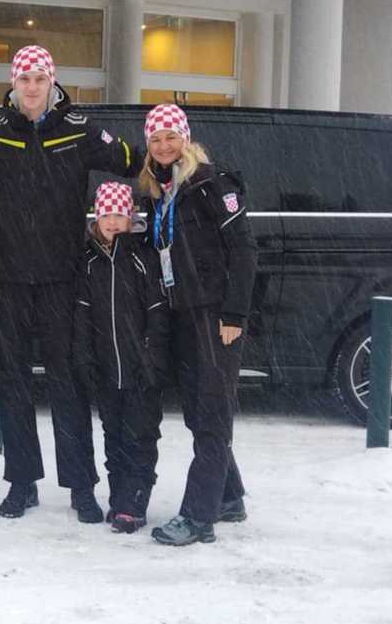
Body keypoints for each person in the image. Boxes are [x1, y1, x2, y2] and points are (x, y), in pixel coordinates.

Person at [0, 45, 140, 521]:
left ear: (52, 82)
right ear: (13, 83)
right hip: (8, 279)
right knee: (14, 384)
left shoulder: (78, 129)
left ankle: (81, 486)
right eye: (24, 79)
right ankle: (22, 482)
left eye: (39, 79)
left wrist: (178, 168)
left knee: (69, 383)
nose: (32, 87)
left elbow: (132, 161)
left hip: (63, 279)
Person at [136, 103, 258, 546]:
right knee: (198, 412)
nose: (164, 145)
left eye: (171, 136)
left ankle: (197, 516)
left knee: (212, 415)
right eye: (155, 139)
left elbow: (243, 251)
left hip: (214, 315)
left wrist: (234, 314)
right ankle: (229, 497)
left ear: (185, 139)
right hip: (182, 315)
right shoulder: (159, 191)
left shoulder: (211, 184)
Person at [73, 181, 169, 534]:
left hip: (140, 370)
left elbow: (158, 315)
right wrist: (84, 358)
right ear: (96, 219)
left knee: (140, 437)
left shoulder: (143, 259)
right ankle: (119, 499)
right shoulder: (88, 263)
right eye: (106, 215)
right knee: (113, 436)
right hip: (106, 370)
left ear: (131, 218)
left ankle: (135, 502)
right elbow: (82, 316)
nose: (112, 222)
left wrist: (152, 359)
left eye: (119, 215)